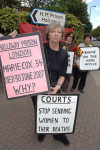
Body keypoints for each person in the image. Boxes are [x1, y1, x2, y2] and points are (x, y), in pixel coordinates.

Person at [31, 22, 70, 146]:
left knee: (56, 112)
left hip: (55, 87)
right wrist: (13, 39)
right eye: (53, 31)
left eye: (59, 32)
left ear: (62, 35)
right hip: (38, 87)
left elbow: (63, 73)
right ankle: (42, 131)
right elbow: (23, 53)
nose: (56, 34)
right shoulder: (39, 47)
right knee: (40, 111)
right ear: (48, 34)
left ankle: (58, 134)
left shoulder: (64, 54)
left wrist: (57, 87)